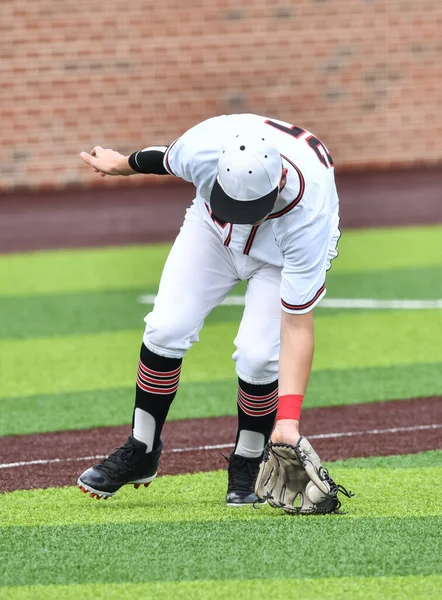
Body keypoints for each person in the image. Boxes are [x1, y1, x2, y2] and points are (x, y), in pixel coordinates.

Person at [77, 113, 340, 507]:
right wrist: (123, 164)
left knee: (257, 356)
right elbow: (163, 158)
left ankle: (247, 464)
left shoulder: (311, 214)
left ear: (279, 181)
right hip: (212, 231)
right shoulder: (204, 146)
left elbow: (298, 327)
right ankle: (141, 450)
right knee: (166, 328)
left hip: (279, 256)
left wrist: (288, 422)